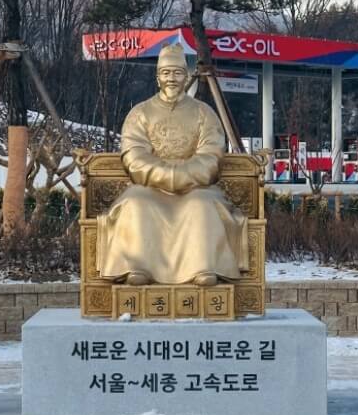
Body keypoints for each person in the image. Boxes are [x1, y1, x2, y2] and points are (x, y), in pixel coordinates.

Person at [96, 43, 248, 286]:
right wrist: (165, 174)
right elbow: (133, 155)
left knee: (203, 204)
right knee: (136, 203)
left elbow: (212, 153)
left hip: (195, 186)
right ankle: (138, 267)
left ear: (186, 76)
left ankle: (204, 267)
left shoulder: (204, 112)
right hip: (150, 186)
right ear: (158, 78)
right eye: (166, 73)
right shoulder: (140, 113)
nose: (172, 79)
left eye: (177, 72)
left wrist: (184, 175)